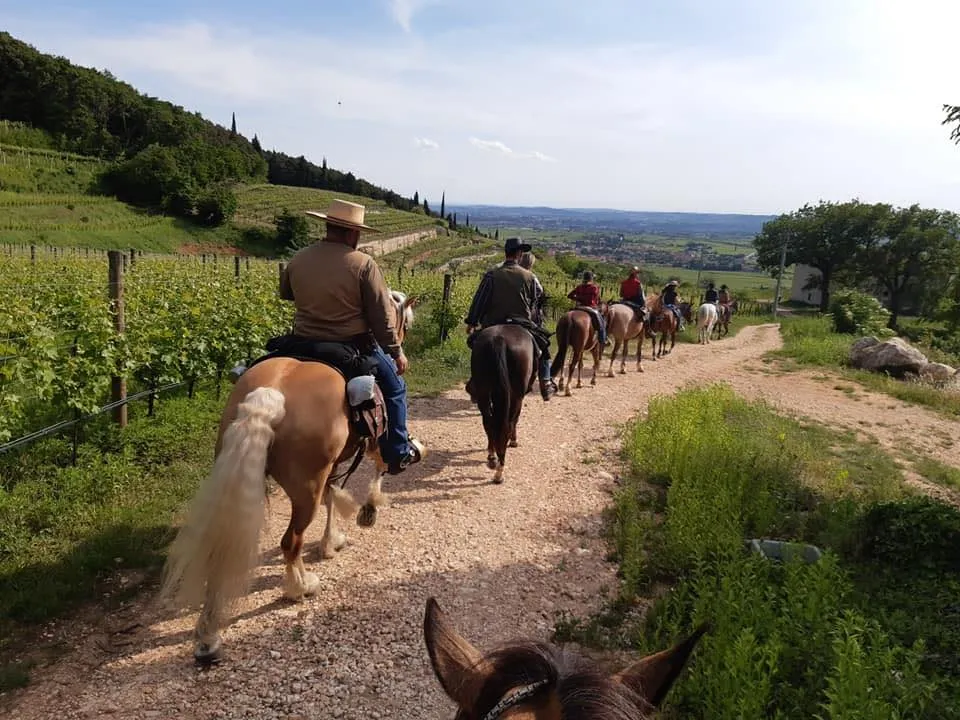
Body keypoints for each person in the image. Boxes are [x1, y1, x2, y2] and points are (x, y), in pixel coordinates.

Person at [279, 199, 424, 475]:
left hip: (300, 342)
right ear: (352, 233)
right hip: (351, 346)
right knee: (395, 389)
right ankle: (397, 453)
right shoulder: (363, 264)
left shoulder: (299, 257)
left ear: (328, 226)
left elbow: (287, 294)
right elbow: (382, 317)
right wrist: (396, 351)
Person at [465, 237, 558, 401]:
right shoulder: (530, 277)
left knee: (476, 346)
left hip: (493, 322)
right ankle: (545, 382)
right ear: (519, 254)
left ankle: (475, 382)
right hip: (522, 323)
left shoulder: (492, 274)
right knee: (544, 350)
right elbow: (536, 303)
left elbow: (480, 299)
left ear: (506, 253)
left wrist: (472, 322)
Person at [567, 271, 608, 347]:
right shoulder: (594, 288)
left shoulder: (579, 287)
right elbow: (591, 300)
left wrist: (578, 298)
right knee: (601, 323)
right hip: (590, 307)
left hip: (578, 307)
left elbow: (569, 295)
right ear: (591, 278)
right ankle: (603, 339)